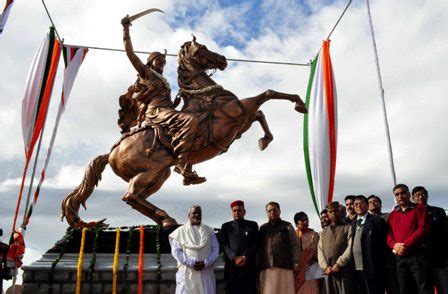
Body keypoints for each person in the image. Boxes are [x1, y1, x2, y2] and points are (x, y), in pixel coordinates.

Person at [121, 16, 205, 186]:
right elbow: (130, 54)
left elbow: (161, 99)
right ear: (151, 61)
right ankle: (182, 165)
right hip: (156, 113)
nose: (162, 63)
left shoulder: (162, 79)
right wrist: (126, 30)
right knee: (190, 120)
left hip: (166, 110)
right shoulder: (146, 73)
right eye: (159, 60)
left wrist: (175, 103)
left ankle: (185, 161)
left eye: (164, 62)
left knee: (199, 122)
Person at [387, 184, 431, 294]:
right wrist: (394, 245)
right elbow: (388, 234)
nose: (400, 196)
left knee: (423, 287)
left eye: (403, 193)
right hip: (400, 257)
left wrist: (404, 245)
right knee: (404, 288)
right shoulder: (393, 214)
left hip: (416, 256)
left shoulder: (419, 208)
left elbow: (422, 229)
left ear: (409, 195)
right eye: (397, 194)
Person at [169, 205, 219, 294]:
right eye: (194, 213)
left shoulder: (209, 231)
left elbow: (215, 249)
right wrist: (191, 262)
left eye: (199, 213)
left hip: (205, 271)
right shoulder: (180, 232)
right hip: (187, 272)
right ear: (189, 215)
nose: (197, 215)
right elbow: (176, 251)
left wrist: (206, 262)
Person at [412, 186, 448, 293]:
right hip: (419, 261)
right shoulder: (409, 214)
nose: (421, 197)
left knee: (444, 288)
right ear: (413, 198)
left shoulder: (439, 211)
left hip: (439, 259)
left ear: (427, 196)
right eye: (417, 195)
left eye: (423, 194)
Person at [259, 202, 300, 294]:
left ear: (279, 211)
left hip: (285, 265)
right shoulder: (263, 228)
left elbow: (295, 244)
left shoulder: (287, 226)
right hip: (268, 267)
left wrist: (295, 261)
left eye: (275, 210)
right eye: (269, 211)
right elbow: (259, 248)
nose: (272, 212)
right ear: (266, 213)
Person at [220, 200, 259, 294]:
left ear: (244, 212)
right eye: (234, 211)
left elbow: (256, 243)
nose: (237, 212)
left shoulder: (252, 225)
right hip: (232, 269)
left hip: (249, 267)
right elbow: (224, 244)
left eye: (239, 210)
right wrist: (234, 257)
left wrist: (245, 256)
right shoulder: (226, 227)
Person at [351, 195, 387, 294]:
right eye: (356, 204)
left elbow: (384, 244)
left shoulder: (377, 220)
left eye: (361, 203)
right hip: (357, 269)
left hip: (373, 268)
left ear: (367, 206)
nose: (358, 206)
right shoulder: (353, 224)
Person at [318, 201, 353, 294]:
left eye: (336, 211)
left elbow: (350, 248)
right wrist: (325, 267)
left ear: (340, 211)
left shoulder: (348, 227)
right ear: (328, 214)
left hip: (344, 271)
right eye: (331, 211)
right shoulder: (323, 233)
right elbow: (320, 251)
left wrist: (339, 263)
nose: (333, 213)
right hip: (329, 273)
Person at [294, 212, 319, 294]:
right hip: (296, 269)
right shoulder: (292, 235)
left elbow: (316, 252)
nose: (305, 222)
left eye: (306, 219)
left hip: (310, 268)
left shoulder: (314, 235)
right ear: (296, 223)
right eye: (302, 220)